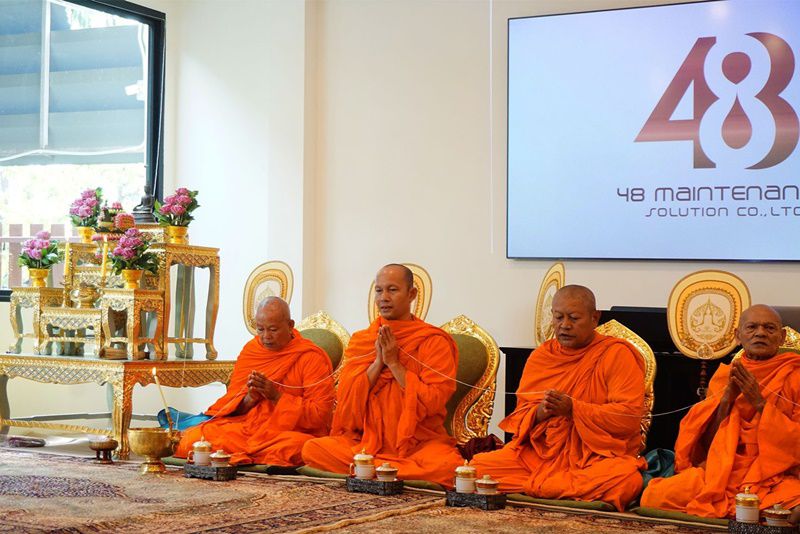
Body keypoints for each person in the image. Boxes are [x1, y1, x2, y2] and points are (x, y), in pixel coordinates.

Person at [470, 285, 647, 511]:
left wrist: (574, 409)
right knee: (478, 468)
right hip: (540, 456)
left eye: (574, 318)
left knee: (626, 480)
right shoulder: (543, 356)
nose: (565, 325)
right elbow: (519, 420)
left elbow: (628, 418)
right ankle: (554, 489)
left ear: (595, 318)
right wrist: (540, 412)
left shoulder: (616, 354)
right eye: (558, 317)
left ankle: (539, 488)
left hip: (594, 458)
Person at [301, 264, 463, 485]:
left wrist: (394, 364)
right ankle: (388, 471)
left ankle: (370, 470)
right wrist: (378, 362)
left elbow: (434, 401)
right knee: (312, 449)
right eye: (379, 290)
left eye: (392, 290)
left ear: (411, 294)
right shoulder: (363, 340)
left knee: (447, 466)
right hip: (366, 442)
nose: (384, 297)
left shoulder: (434, 341)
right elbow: (347, 404)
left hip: (417, 444)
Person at [641, 305, 800, 519]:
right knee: (654, 496)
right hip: (722, 470)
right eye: (752, 327)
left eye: (769, 328)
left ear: (782, 337)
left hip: (773, 474)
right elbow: (706, 446)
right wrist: (726, 400)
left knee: (795, 501)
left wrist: (759, 403)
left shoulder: (794, 376)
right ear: (738, 336)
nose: (760, 333)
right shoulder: (725, 377)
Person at [173, 297, 335, 466]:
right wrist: (250, 398)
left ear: (290, 325)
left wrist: (276, 397)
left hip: (286, 433)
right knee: (191, 439)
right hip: (247, 430)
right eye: (260, 329)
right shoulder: (252, 350)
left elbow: (320, 416)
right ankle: (252, 454)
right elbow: (232, 407)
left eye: (273, 329)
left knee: (304, 447)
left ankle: (239, 454)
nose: (266, 337)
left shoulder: (311, 358)